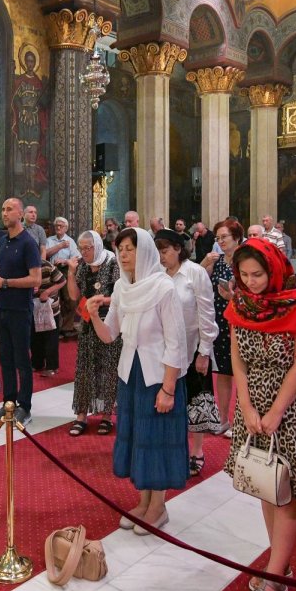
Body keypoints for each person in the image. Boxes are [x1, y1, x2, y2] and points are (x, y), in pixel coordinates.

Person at [223, 237, 296, 591]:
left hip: (290, 405)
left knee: (286, 490)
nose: (251, 282)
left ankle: (275, 578)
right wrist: (247, 407)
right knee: (267, 485)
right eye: (245, 275)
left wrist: (276, 412)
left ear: (274, 270)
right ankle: (278, 563)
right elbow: (237, 358)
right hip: (253, 404)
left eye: (258, 274)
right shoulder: (241, 304)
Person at [86, 227, 188, 535]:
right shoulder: (121, 287)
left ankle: (159, 506)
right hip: (131, 373)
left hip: (158, 376)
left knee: (157, 440)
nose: (125, 254)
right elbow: (110, 335)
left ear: (144, 250)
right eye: (121, 249)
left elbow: (176, 343)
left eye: (130, 247)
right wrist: (92, 315)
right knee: (139, 438)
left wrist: (168, 389)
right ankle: (144, 501)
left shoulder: (163, 287)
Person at [155, 229, 219, 475]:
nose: (161, 257)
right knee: (171, 399)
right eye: (158, 252)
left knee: (196, 399)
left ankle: (197, 451)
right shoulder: (158, 274)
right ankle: (173, 448)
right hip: (166, 349)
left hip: (193, 347)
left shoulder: (195, 273)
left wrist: (204, 351)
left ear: (178, 249)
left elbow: (206, 313)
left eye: (165, 251)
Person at [0, 197, 43, 426]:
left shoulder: (28, 243)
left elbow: (36, 279)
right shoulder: (2, 241)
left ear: (20, 214)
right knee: (6, 359)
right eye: (3, 209)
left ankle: (25, 407)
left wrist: (5, 283)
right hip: (2, 306)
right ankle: (8, 403)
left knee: (22, 359)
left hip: (20, 309)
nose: (4, 213)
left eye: (9, 209)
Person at [66, 230, 121, 436]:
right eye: (81, 248)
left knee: (108, 367)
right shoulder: (83, 266)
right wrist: (71, 272)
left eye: (88, 248)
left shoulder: (113, 263)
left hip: (109, 321)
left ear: (97, 246)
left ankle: (106, 415)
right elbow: (74, 295)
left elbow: (120, 294)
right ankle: (81, 414)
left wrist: (100, 300)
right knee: (85, 367)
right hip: (88, 322)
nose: (84, 252)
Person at [201, 219, 243, 435]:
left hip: (241, 324)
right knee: (224, 374)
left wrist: (233, 296)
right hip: (220, 323)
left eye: (224, 237)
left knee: (242, 375)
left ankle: (241, 423)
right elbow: (194, 279)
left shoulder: (246, 262)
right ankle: (224, 420)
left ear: (236, 237)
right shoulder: (217, 262)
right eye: (218, 238)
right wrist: (204, 262)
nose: (221, 241)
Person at [30, 257, 67, 376]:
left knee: (51, 338)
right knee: (35, 337)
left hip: (50, 307)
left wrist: (47, 292)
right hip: (34, 307)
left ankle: (52, 366)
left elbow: (62, 281)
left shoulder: (46, 265)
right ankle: (37, 363)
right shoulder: (24, 266)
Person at [44, 217, 80, 336]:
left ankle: (67, 327)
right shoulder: (49, 240)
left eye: (61, 226)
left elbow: (77, 257)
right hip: (51, 271)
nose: (58, 227)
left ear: (66, 228)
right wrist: (59, 247)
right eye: (57, 226)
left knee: (70, 299)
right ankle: (55, 328)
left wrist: (64, 261)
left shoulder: (70, 241)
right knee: (53, 299)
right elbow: (45, 255)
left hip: (65, 270)